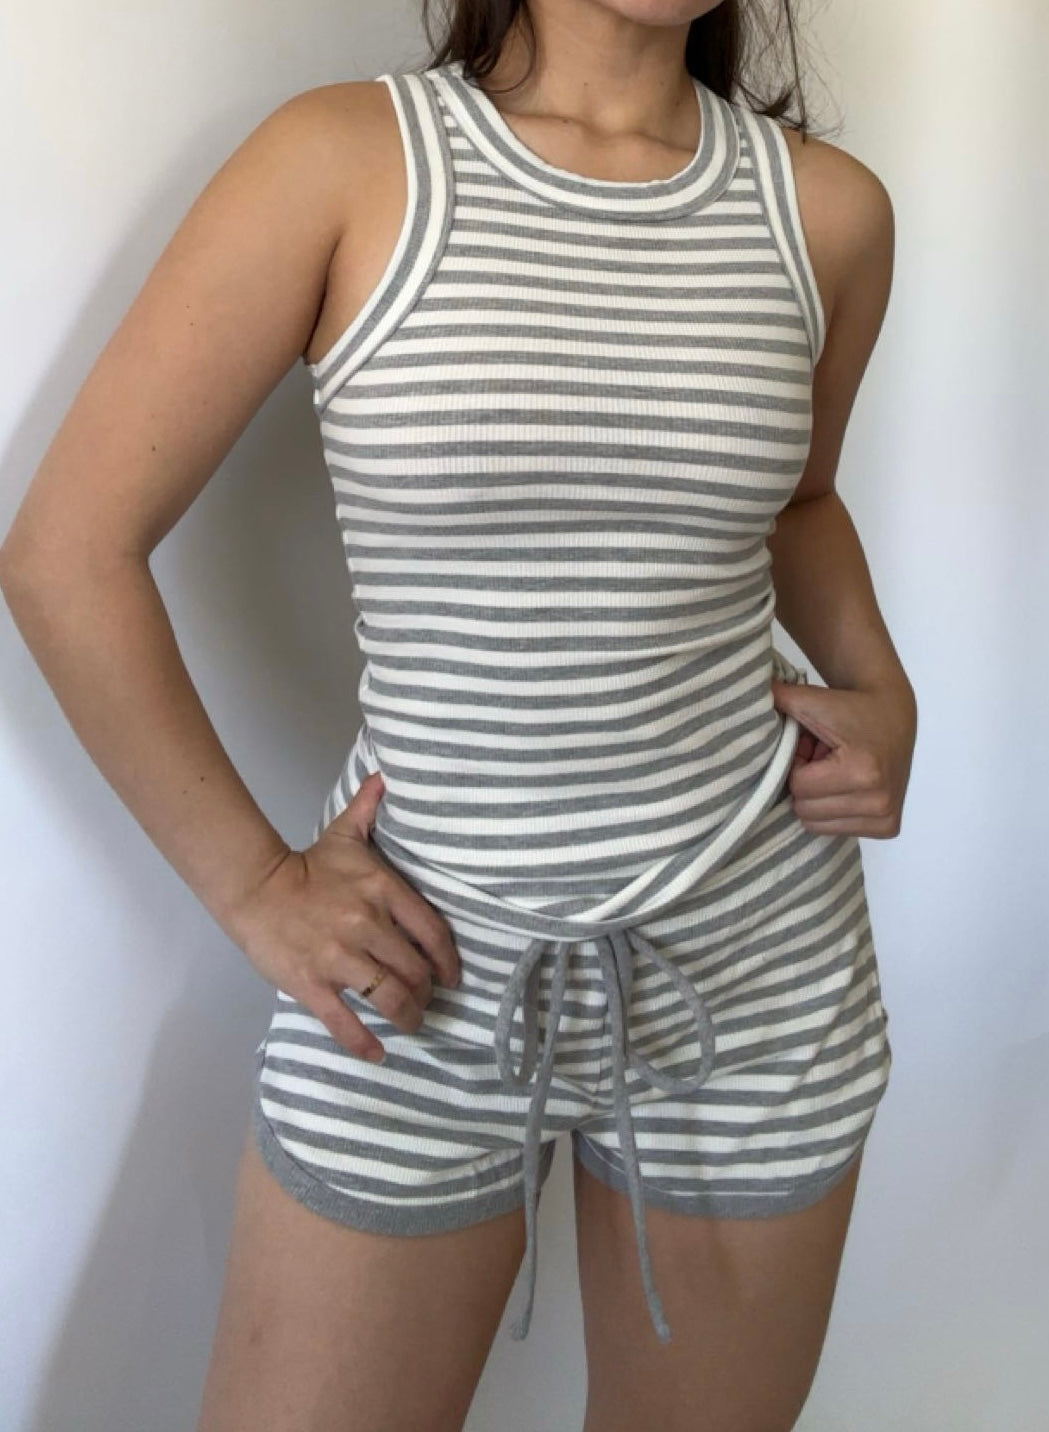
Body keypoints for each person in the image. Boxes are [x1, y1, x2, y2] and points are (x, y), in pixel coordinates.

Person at [0, 0, 917, 1426]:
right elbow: (66, 552)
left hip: (757, 967)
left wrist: (880, 688)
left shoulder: (827, 214)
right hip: (415, 975)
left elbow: (798, 499)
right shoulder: (342, 162)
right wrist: (255, 886)